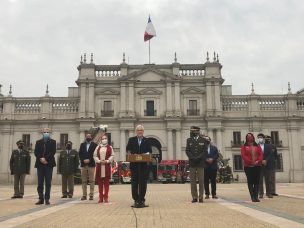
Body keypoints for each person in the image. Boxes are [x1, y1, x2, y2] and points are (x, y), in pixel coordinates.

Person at [126, 125, 152, 208]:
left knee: (143, 183)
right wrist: (131, 154)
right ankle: (136, 200)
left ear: (143, 131)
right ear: (136, 131)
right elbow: (128, 150)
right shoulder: (131, 140)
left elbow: (150, 152)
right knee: (134, 183)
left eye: (141, 130)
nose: (139, 131)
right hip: (134, 165)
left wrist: (146, 154)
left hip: (144, 166)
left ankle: (142, 200)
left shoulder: (147, 140)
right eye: (138, 130)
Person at [34, 128, 56, 205]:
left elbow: (53, 152)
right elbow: (36, 152)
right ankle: (41, 198)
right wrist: (41, 158)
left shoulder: (53, 142)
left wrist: (45, 159)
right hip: (40, 164)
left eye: (47, 132)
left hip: (48, 164)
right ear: (42, 133)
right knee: (40, 183)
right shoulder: (38, 142)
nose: (46, 133)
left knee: (48, 183)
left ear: (50, 133)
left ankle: (47, 199)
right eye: (44, 132)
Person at [185, 126, 208, 203]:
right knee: (193, 181)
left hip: (200, 163)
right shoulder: (189, 140)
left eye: (193, 131)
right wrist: (192, 157)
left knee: (201, 181)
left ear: (197, 131)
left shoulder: (203, 140)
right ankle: (194, 197)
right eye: (191, 131)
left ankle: (201, 197)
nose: (192, 132)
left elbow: (205, 151)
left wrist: (198, 157)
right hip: (192, 163)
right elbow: (187, 150)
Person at [241, 133, 263, 202]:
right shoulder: (243, 147)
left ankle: (256, 196)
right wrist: (250, 162)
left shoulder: (258, 146)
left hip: (257, 166)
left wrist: (258, 161)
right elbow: (243, 156)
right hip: (248, 167)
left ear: (253, 137)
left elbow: (261, 154)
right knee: (250, 182)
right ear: (246, 138)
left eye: (250, 136)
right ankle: (252, 197)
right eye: (248, 136)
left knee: (257, 182)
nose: (249, 138)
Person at [93, 134, 114, 203]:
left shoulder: (110, 147)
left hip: (107, 166)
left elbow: (112, 155)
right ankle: (101, 198)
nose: (104, 140)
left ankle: (106, 197)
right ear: (101, 140)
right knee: (100, 184)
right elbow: (95, 155)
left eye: (105, 138)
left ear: (107, 140)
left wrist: (107, 161)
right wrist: (99, 161)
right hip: (99, 166)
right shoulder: (97, 147)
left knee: (106, 184)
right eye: (103, 138)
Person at [79, 133, 97, 200]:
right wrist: (83, 160)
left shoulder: (94, 145)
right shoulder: (82, 145)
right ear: (85, 137)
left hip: (91, 165)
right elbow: (80, 154)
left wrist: (89, 160)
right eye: (87, 136)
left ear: (91, 137)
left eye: (89, 136)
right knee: (84, 181)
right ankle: (84, 195)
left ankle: (91, 195)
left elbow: (95, 155)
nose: (88, 137)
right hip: (83, 165)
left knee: (92, 180)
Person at [257, 133, 275, 199]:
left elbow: (270, 154)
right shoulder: (256, 146)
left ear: (263, 138)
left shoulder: (268, 146)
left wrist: (266, 160)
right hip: (259, 166)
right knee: (260, 180)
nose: (259, 138)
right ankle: (260, 193)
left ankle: (269, 193)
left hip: (267, 165)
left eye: (261, 137)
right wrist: (261, 160)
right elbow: (255, 155)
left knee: (268, 180)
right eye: (258, 137)